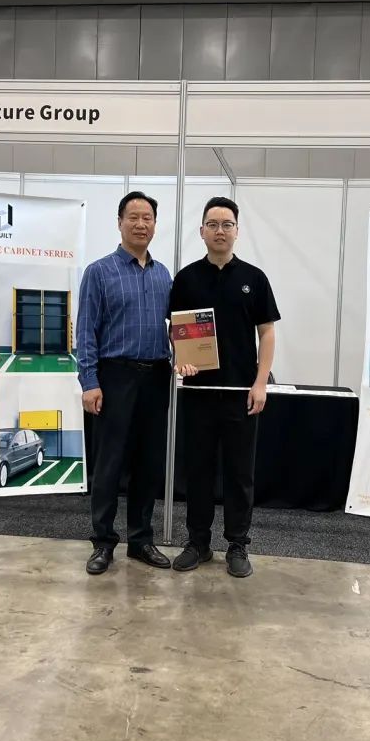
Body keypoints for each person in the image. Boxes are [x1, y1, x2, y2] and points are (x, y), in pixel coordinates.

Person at [169, 196, 279, 578]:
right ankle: (198, 542)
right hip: (198, 394)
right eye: (212, 224)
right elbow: (175, 331)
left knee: (239, 473)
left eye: (226, 224)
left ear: (236, 231)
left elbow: (267, 334)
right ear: (201, 231)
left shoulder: (254, 279)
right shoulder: (186, 279)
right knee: (197, 471)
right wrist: (179, 359)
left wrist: (260, 383)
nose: (220, 231)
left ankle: (237, 545)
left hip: (241, 396)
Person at [76, 191, 174, 575]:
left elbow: (177, 329)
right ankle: (103, 542)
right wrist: (89, 381)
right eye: (133, 217)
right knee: (109, 464)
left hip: (157, 377)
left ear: (155, 225)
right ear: (119, 222)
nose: (140, 224)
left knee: (148, 463)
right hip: (114, 376)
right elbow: (86, 331)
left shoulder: (164, 275)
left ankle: (141, 540)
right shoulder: (99, 272)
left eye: (147, 217)